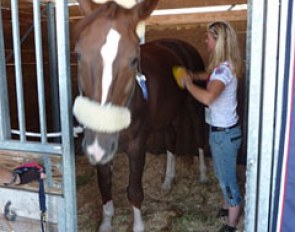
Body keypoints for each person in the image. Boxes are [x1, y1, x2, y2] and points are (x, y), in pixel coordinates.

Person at [182, 21, 242, 232]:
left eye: (208, 37)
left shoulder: (223, 71)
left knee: (227, 180)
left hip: (224, 135)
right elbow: (210, 77)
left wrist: (188, 84)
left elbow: (208, 97)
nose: (205, 41)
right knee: (221, 173)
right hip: (223, 133)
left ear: (218, 41)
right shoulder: (223, 67)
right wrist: (195, 75)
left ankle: (232, 224)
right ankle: (227, 206)